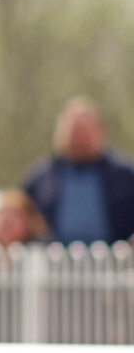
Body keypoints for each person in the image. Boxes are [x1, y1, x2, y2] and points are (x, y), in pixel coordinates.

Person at [23, 95, 134, 245]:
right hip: (52, 263)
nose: (78, 140)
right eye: (73, 132)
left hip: (116, 262)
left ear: (101, 132)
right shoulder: (38, 179)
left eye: (83, 132)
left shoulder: (125, 176)